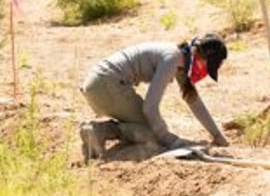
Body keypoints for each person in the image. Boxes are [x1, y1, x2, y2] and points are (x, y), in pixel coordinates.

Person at [79, 33, 229, 162]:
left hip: (101, 84)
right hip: (106, 85)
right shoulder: (172, 59)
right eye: (206, 66)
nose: (204, 71)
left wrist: (217, 135)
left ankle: (103, 131)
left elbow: (193, 101)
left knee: (151, 128)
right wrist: (170, 139)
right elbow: (150, 108)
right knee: (153, 134)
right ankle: (99, 131)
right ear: (199, 55)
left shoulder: (180, 59)